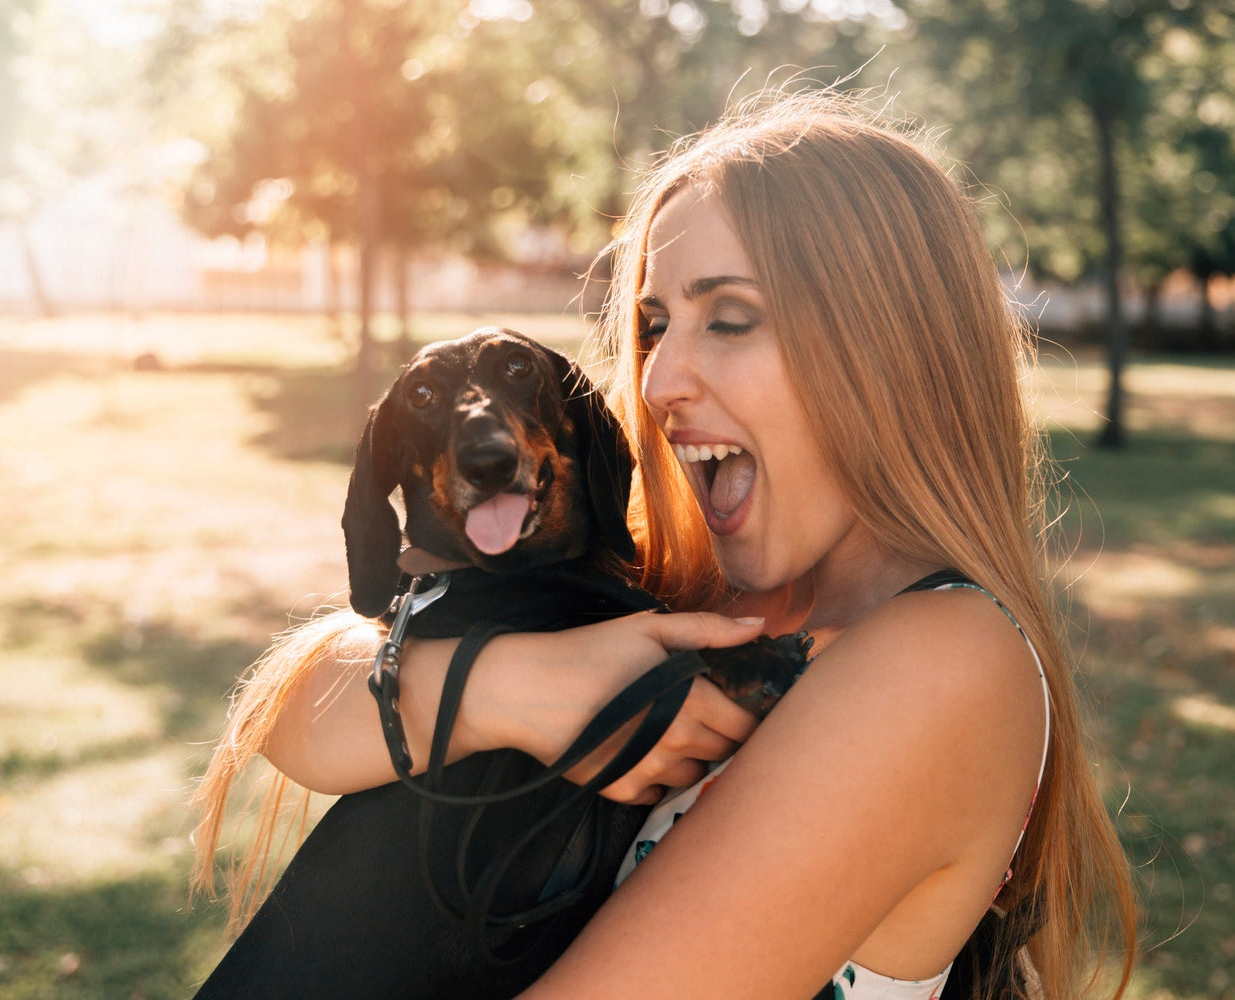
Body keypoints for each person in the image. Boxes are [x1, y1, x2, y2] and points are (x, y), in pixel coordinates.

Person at [192, 91, 1137, 999]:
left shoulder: (941, 661)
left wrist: (487, 690)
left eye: (729, 319)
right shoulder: (677, 593)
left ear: (889, 348)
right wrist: (519, 686)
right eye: (653, 327)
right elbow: (293, 713)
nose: (656, 381)